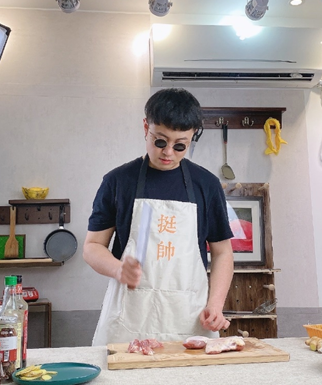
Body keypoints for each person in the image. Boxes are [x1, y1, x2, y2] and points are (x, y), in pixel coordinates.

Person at [84, 88, 235, 345]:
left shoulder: (206, 185)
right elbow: (92, 246)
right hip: (129, 318)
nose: (168, 153)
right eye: (160, 142)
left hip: (188, 318)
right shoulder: (118, 181)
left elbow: (222, 252)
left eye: (180, 145)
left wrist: (216, 305)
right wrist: (118, 269)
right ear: (146, 127)